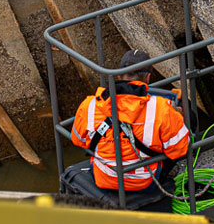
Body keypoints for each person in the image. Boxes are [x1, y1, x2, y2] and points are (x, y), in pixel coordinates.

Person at [70, 49, 190, 192]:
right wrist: (178, 116)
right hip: (144, 182)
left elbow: (78, 140)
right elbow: (180, 149)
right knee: (189, 119)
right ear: (148, 77)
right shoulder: (160, 109)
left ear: (119, 76)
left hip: (103, 177)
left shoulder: (90, 105)